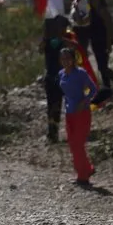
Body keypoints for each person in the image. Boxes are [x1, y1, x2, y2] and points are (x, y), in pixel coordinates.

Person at [59, 48, 97, 186]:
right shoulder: (62, 74)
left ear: (73, 59)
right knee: (73, 145)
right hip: (69, 113)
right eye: (63, 59)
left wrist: (84, 101)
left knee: (78, 144)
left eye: (68, 58)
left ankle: (83, 177)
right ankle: (86, 169)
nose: (65, 61)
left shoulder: (80, 73)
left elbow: (93, 89)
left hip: (82, 113)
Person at [41, 15, 69, 143]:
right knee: (55, 106)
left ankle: (53, 133)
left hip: (54, 78)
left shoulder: (56, 42)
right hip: (56, 78)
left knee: (53, 107)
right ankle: (53, 133)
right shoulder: (61, 42)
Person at [88, 0, 113, 89]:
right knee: (101, 68)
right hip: (95, 42)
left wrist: (109, 43)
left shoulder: (103, 11)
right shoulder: (92, 12)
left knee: (103, 67)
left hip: (103, 42)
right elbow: (82, 22)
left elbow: (110, 27)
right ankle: (107, 88)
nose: (94, 0)